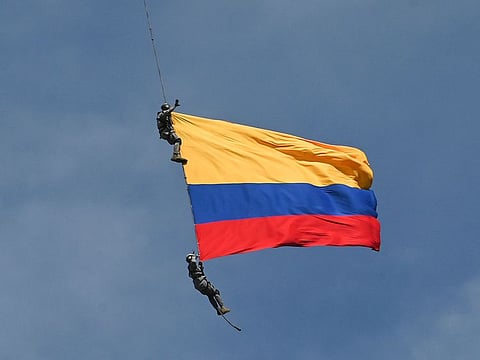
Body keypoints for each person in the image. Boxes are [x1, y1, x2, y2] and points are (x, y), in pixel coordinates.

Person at [156, 99, 187, 164]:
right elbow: (167, 112)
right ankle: (175, 155)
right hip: (166, 132)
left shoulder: (166, 115)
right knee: (177, 140)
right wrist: (174, 106)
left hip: (166, 132)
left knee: (177, 141)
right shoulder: (161, 114)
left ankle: (176, 154)